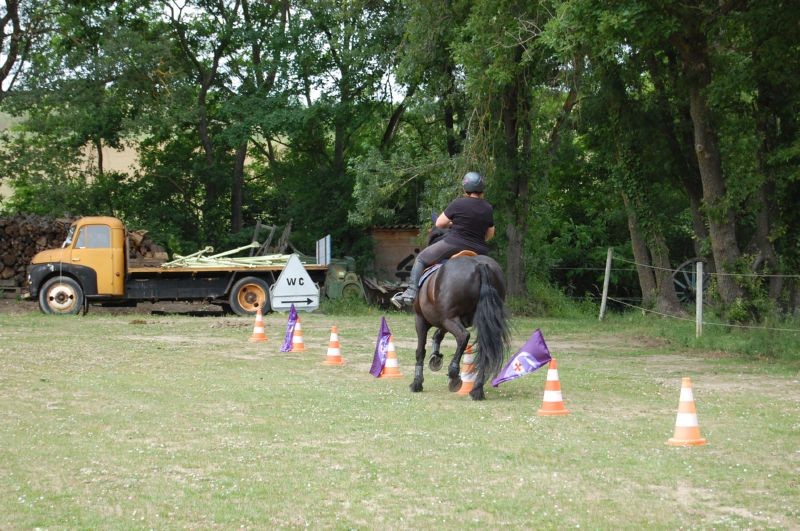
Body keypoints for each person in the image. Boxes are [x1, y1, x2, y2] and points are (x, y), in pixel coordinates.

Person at [392, 171, 495, 308]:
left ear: (465, 188)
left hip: (455, 243)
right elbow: (489, 234)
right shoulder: (488, 208)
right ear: (482, 188)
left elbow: (439, 223)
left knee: (421, 259)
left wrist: (453, 223)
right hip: (480, 249)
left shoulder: (458, 203)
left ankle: (411, 292)